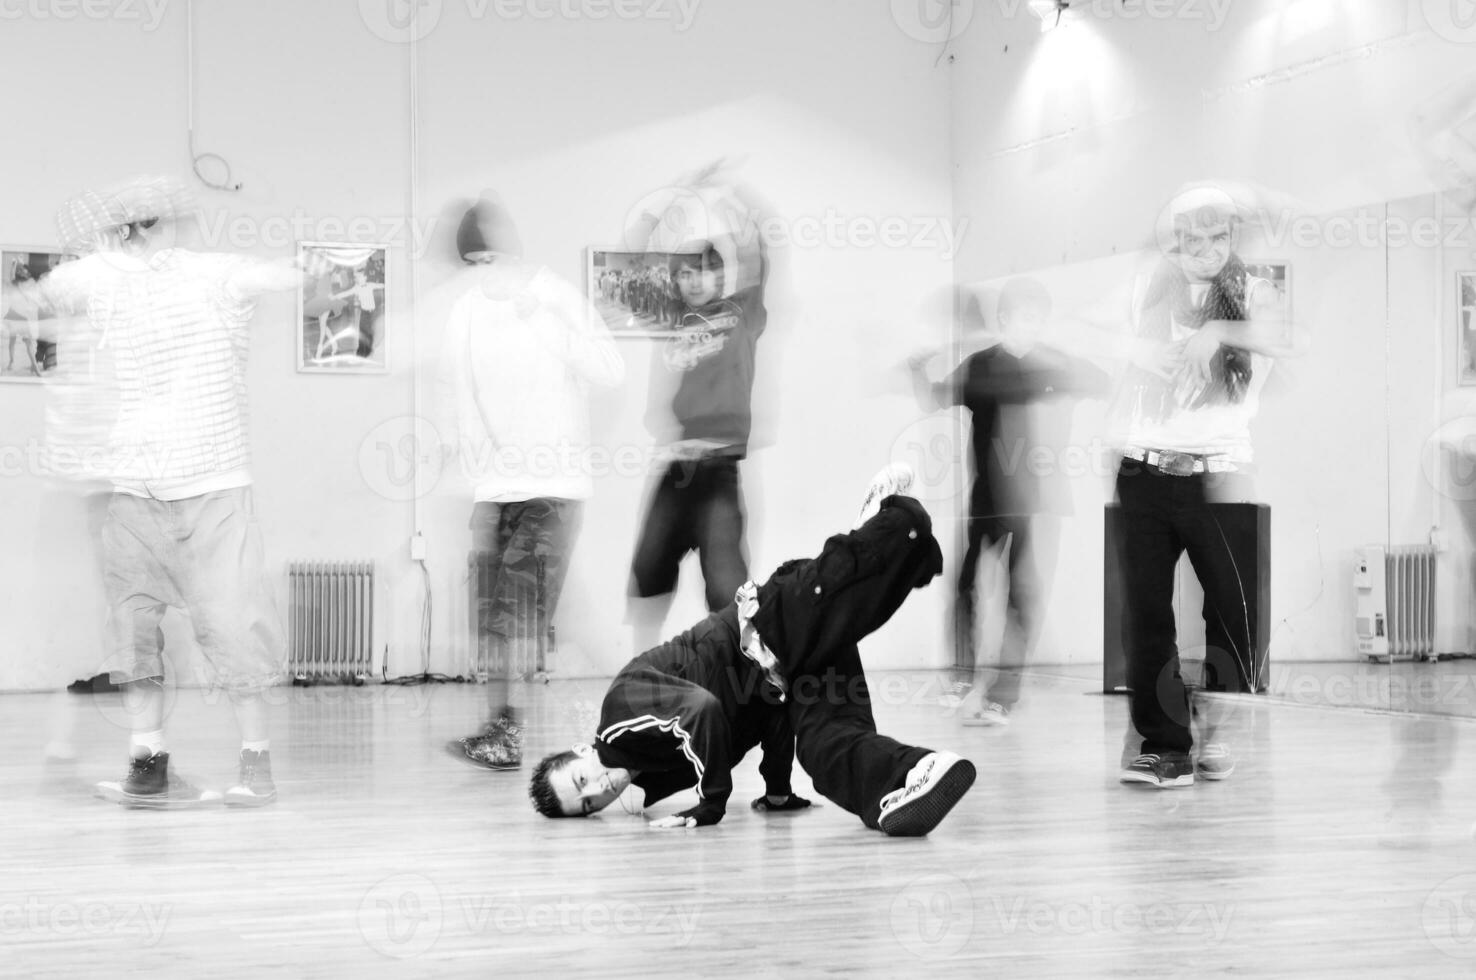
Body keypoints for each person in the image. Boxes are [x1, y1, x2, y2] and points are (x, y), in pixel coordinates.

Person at [33, 175, 313, 809]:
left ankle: (256, 769)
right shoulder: (101, 278)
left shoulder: (211, 275)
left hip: (213, 489)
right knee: (134, 637)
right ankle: (149, 764)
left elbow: (275, 276)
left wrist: (296, 265)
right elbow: (47, 287)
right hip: (131, 495)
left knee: (236, 632)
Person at [530, 464, 978, 836]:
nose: (599, 789)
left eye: (582, 780)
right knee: (826, 748)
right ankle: (917, 773)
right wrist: (777, 789)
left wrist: (711, 804)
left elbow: (700, 711)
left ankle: (884, 515)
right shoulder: (653, 778)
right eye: (589, 805)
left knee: (882, 559)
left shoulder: (620, 712)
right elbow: (759, 718)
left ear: (580, 751)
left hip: (767, 623)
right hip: (786, 675)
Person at [1111, 185, 1299, 788]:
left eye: (1217, 239)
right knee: (1146, 616)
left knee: (1233, 614)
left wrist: (1219, 329)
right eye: (1192, 240)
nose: (1205, 252)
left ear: (1231, 241)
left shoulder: (1254, 292)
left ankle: (1219, 728)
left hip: (1220, 474)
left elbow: (1282, 339)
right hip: (1143, 471)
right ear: (1175, 241)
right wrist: (1137, 349)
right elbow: (1096, 334)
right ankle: (1165, 746)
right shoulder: (1147, 289)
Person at [443, 194, 625, 769]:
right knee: (496, 621)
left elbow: (609, 370)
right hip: (494, 492)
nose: (482, 272)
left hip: (553, 489)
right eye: (472, 262)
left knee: (520, 619)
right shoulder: (465, 312)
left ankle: (611, 724)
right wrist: (474, 475)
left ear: (512, 252)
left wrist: (543, 321)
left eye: (490, 258)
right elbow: (459, 396)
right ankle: (504, 732)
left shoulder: (555, 297)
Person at [909, 279, 1111, 726]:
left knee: (1021, 596)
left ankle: (1003, 694)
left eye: (1039, 318)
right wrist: (917, 373)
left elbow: (1103, 381)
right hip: (986, 501)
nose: (1032, 326)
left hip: (1035, 504)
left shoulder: (1052, 364)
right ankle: (963, 678)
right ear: (1003, 321)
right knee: (967, 588)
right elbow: (933, 400)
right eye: (1024, 317)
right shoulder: (980, 365)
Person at [626, 167, 770, 649]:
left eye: (701, 272)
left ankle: (742, 683)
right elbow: (635, 258)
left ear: (719, 275)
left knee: (727, 589)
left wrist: (732, 197)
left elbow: (758, 252)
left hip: (718, 472)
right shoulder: (675, 318)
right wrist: (669, 197)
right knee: (648, 573)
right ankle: (641, 676)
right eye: (684, 273)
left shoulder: (742, 312)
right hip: (676, 469)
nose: (691, 281)